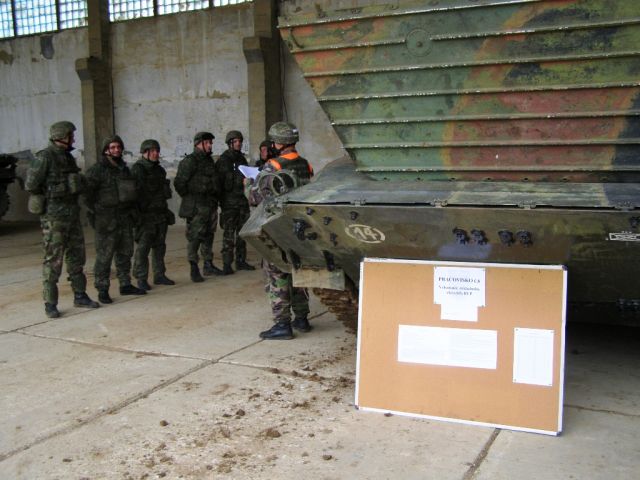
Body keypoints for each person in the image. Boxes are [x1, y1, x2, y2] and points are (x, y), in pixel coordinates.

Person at [25, 121, 99, 318]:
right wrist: (55, 190)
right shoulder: (45, 157)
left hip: (72, 216)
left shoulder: (67, 157)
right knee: (53, 261)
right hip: (54, 218)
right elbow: (31, 184)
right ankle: (50, 303)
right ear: (61, 136)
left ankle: (80, 295)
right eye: (71, 135)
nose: (73, 139)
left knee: (77, 258)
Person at [248, 121, 314, 340]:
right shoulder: (305, 164)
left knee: (277, 274)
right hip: (299, 227)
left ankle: (282, 324)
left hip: (277, 228)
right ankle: (302, 318)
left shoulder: (273, 166)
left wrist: (248, 184)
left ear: (277, 142)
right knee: (298, 271)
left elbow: (255, 198)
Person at [85, 135, 147, 303]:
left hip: (124, 218)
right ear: (106, 150)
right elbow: (86, 195)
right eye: (112, 147)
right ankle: (102, 289)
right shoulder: (97, 170)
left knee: (125, 253)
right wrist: (96, 213)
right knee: (104, 256)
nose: (116, 150)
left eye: (118, 147)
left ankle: (125, 284)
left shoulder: (124, 169)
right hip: (106, 220)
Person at [174, 131, 223, 282]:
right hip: (197, 207)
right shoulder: (190, 161)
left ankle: (208, 264)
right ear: (198, 144)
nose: (210, 145)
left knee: (209, 235)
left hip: (210, 205)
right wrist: (191, 198)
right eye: (207, 143)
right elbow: (179, 183)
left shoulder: (209, 161)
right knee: (195, 237)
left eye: (211, 143)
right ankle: (194, 266)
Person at [131, 139, 176, 291]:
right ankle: (141, 277)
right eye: (153, 151)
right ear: (145, 152)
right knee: (143, 248)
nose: (156, 154)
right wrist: (137, 216)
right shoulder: (138, 170)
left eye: (157, 151)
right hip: (145, 216)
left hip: (160, 214)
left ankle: (159, 274)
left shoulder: (159, 170)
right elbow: (134, 195)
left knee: (159, 247)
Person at [217, 130, 255, 275]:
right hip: (229, 203)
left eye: (240, 141)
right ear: (230, 143)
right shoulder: (223, 160)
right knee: (228, 234)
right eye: (235, 141)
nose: (238, 143)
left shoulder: (241, 159)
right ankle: (227, 263)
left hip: (242, 201)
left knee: (242, 233)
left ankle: (241, 260)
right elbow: (219, 183)